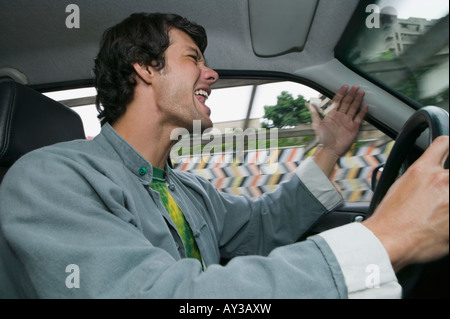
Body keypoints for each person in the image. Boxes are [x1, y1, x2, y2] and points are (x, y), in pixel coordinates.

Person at [0, 13, 448, 299]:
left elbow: (262, 225)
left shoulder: (186, 188)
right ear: (144, 66)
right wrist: (384, 241)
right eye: (194, 58)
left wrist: (330, 149)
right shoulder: (48, 178)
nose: (211, 74)